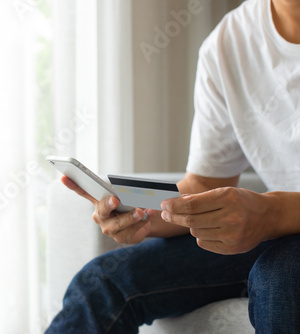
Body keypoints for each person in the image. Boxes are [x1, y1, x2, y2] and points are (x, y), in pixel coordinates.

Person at [45, 0, 300, 332]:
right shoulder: (229, 42)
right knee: (102, 282)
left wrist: (274, 213)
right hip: (276, 232)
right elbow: (205, 185)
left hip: (281, 236)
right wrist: (143, 211)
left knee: (281, 276)